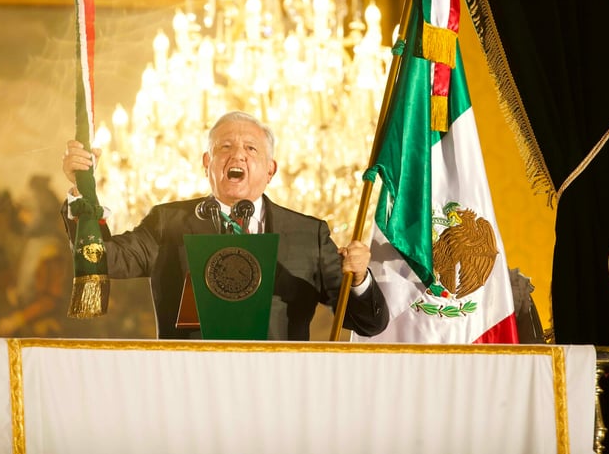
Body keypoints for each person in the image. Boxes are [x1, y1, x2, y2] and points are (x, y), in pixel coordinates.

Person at [62, 110, 389, 340]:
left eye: (251, 149)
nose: (239, 156)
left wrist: (359, 279)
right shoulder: (169, 223)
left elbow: (367, 322)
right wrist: (82, 191)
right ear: (207, 164)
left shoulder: (309, 234)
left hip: (279, 394)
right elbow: (102, 259)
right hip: (189, 391)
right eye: (225, 147)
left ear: (270, 169)